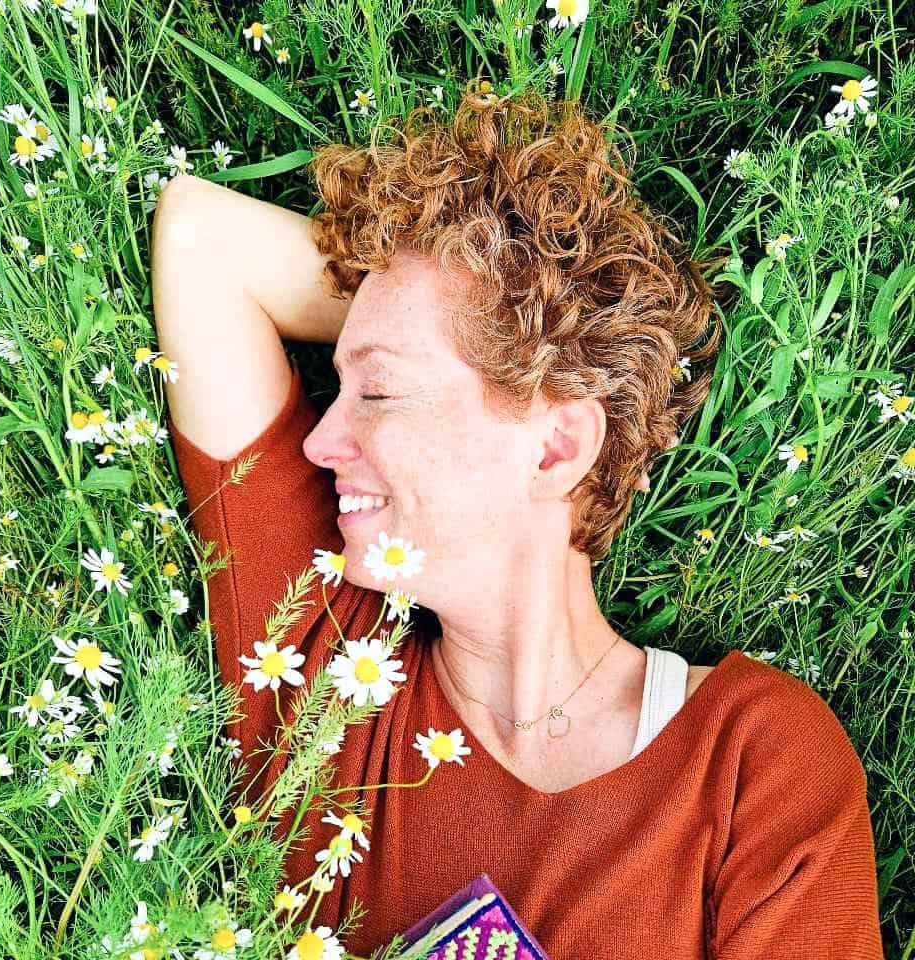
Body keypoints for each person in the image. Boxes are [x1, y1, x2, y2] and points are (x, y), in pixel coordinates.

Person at [152, 86, 883, 958]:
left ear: (555, 448)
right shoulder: (323, 673)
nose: (319, 441)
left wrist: (531, 343)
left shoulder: (750, 762)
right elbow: (202, 244)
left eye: (376, 392)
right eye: (341, 386)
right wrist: (469, 330)